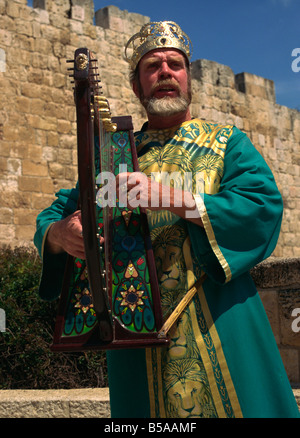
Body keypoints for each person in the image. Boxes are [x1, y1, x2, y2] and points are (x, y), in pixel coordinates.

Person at [34, 21, 300, 418]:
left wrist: (176, 199)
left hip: (221, 323)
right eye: (152, 66)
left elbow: (261, 206)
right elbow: (55, 214)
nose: (165, 73)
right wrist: (59, 234)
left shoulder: (226, 142)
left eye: (174, 64)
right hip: (133, 336)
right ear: (137, 86)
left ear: (188, 78)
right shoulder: (113, 155)